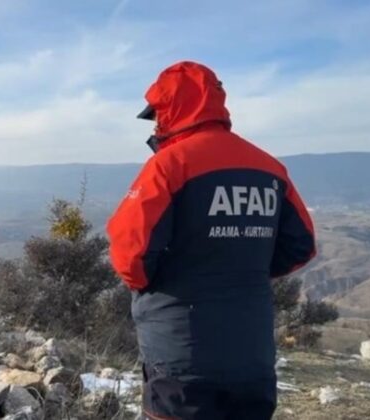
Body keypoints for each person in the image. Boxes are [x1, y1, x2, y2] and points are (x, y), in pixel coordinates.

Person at [106, 61, 316, 420]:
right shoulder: (269, 168)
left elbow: (131, 256)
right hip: (253, 360)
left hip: (182, 359)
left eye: (158, 114)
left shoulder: (169, 166)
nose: (156, 124)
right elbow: (300, 246)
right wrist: (242, 271)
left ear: (172, 109)